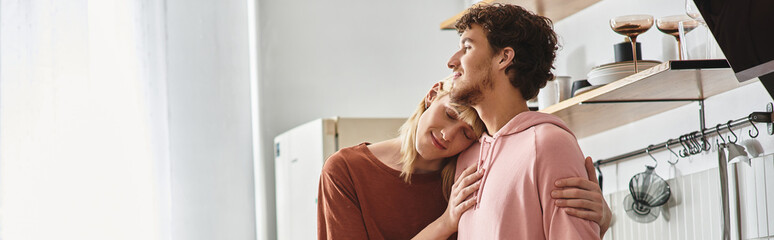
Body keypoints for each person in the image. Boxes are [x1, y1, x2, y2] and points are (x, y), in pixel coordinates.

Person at [317, 77, 611, 239]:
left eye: (466, 134)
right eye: (449, 115)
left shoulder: (471, 173)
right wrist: (446, 223)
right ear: (432, 94)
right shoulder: (345, 171)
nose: (447, 136)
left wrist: (602, 220)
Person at [446, 3, 604, 239]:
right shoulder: (467, 157)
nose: (452, 61)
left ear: (504, 57)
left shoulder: (550, 144)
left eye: (467, 47)